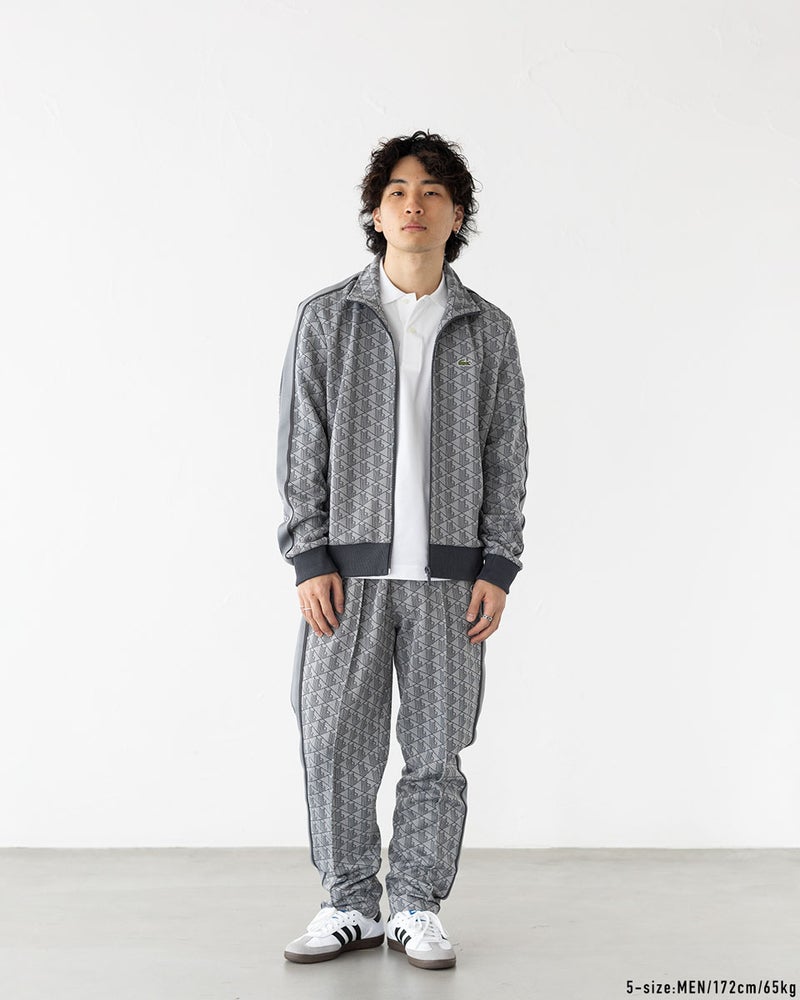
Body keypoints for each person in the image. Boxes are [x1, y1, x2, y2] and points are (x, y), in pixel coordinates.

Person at [276, 130, 529, 970]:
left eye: (432, 192)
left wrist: (499, 565)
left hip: (451, 581)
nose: (413, 204)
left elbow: (507, 452)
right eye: (397, 191)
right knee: (332, 741)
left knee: (436, 749)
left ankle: (416, 902)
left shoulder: (488, 329)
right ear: (376, 214)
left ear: (457, 215)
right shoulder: (329, 318)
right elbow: (301, 444)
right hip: (346, 579)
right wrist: (310, 556)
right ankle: (350, 902)